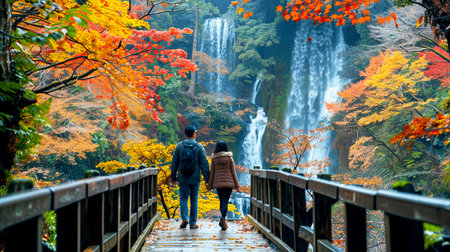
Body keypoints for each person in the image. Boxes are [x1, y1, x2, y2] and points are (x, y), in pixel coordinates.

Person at [170, 125, 210, 229]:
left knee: (183, 198)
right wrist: (207, 179)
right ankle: (192, 223)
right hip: (195, 177)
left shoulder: (179, 146)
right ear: (193, 134)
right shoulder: (199, 146)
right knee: (194, 199)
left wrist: (173, 177)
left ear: (186, 134)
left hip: (182, 176)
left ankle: (184, 218)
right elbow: (204, 163)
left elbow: (174, 162)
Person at [207, 141, 240, 231]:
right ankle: (223, 219)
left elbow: (212, 173)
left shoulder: (214, 159)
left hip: (218, 184)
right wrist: (237, 186)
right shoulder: (229, 158)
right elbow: (234, 173)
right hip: (229, 184)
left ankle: (223, 219)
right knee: (225, 201)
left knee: (222, 201)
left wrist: (209, 186)